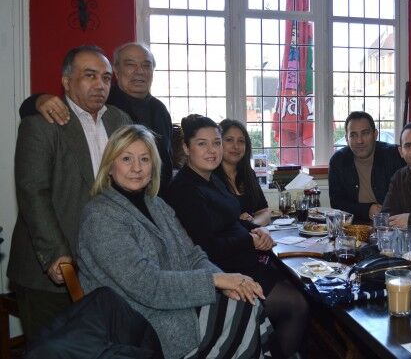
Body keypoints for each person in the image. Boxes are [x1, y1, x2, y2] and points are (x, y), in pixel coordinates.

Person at [77, 125, 269, 359]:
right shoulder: (100, 217)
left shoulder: (156, 205)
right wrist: (217, 280)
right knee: (247, 314)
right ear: (109, 166)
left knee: (249, 304)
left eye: (144, 159)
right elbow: (149, 286)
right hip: (141, 329)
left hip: (175, 307)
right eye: (126, 159)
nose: (137, 168)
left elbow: (193, 255)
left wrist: (225, 282)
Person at [8, 45, 131, 339]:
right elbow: (33, 193)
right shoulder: (41, 124)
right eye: (90, 75)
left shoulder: (120, 121)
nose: (100, 84)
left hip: (106, 265)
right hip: (50, 271)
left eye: (106, 77)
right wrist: (55, 255)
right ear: (66, 82)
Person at [167, 115, 308, 358]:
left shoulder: (211, 179)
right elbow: (205, 247)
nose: (212, 150)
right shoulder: (186, 189)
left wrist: (255, 229)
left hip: (243, 261)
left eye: (216, 143)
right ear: (186, 148)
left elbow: (231, 220)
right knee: (296, 305)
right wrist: (249, 239)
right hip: (225, 275)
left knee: (299, 286)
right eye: (202, 144)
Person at [20, 42, 174, 196]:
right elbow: (33, 190)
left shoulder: (158, 110)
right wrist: (39, 100)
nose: (140, 71)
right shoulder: (99, 101)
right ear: (117, 71)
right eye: (130, 64)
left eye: (146, 65)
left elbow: (164, 160)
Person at [329, 111, 405, 223]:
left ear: (375, 134)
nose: (360, 141)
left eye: (365, 133)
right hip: (354, 226)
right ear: (346, 139)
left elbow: (406, 197)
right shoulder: (338, 161)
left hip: (393, 223)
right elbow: (336, 203)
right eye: (353, 135)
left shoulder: (394, 155)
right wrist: (366, 210)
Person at [214, 119, 271, 226]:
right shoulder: (210, 178)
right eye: (229, 140)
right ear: (218, 143)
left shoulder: (248, 174)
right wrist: (239, 223)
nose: (236, 146)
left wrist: (252, 224)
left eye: (241, 141)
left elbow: (264, 212)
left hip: (251, 234)